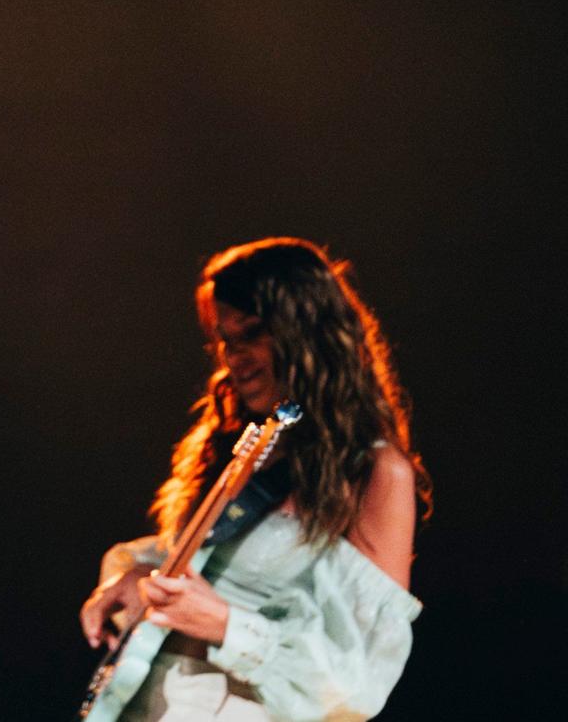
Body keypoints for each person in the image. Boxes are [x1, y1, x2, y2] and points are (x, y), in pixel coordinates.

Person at [80, 238, 432, 721]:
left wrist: (225, 626)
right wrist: (141, 578)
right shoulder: (237, 439)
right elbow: (214, 572)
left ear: (310, 335)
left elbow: (358, 682)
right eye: (225, 339)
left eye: (252, 334)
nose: (234, 357)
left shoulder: (374, 473)